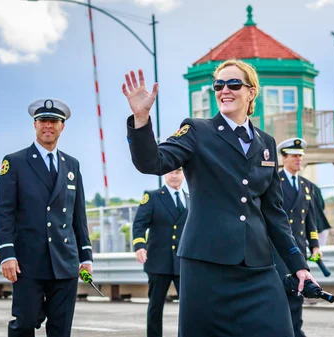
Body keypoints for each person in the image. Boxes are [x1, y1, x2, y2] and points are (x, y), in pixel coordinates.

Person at [122, 59, 317, 337]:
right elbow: (153, 162)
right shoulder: (197, 131)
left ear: (251, 92)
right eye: (218, 84)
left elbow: (274, 213)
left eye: (234, 83)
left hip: (257, 268)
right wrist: (141, 120)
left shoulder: (267, 143)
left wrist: (298, 265)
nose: (225, 89)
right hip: (206, 265)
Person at [0, 99, 93, 336]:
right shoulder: (14, 162)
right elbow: (4, 213)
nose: (48, 126)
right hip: (27, 262)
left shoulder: (72, 165)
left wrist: (86, 256)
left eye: (54, 121)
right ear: (35, 125)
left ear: (62, 127)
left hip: (65, 262)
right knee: (25, 323)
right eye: (43, 121)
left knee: (61, 329)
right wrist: (6, 254)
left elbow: (78, 215)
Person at [132, 168, 188, 337]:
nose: (174, 176)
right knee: (156, 307)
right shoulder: (153, 197)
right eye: (170, 172)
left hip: (183, 261)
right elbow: (139, 224)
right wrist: (139, 246)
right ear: (165, 174)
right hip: (158, 261)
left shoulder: (191, 198)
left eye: (177, 172)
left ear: (183, 174)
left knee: (188, 307)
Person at [275, 137, 320, 337]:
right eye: (294, 156)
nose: (298, 160)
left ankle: (295, 332)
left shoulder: (306, 186)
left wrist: (315, 245)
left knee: (298, 292)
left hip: (299, 249)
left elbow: (310, 219)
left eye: (300, 157)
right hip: (279, 250)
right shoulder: (274, 181)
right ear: (283, 158)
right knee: (280, 294)